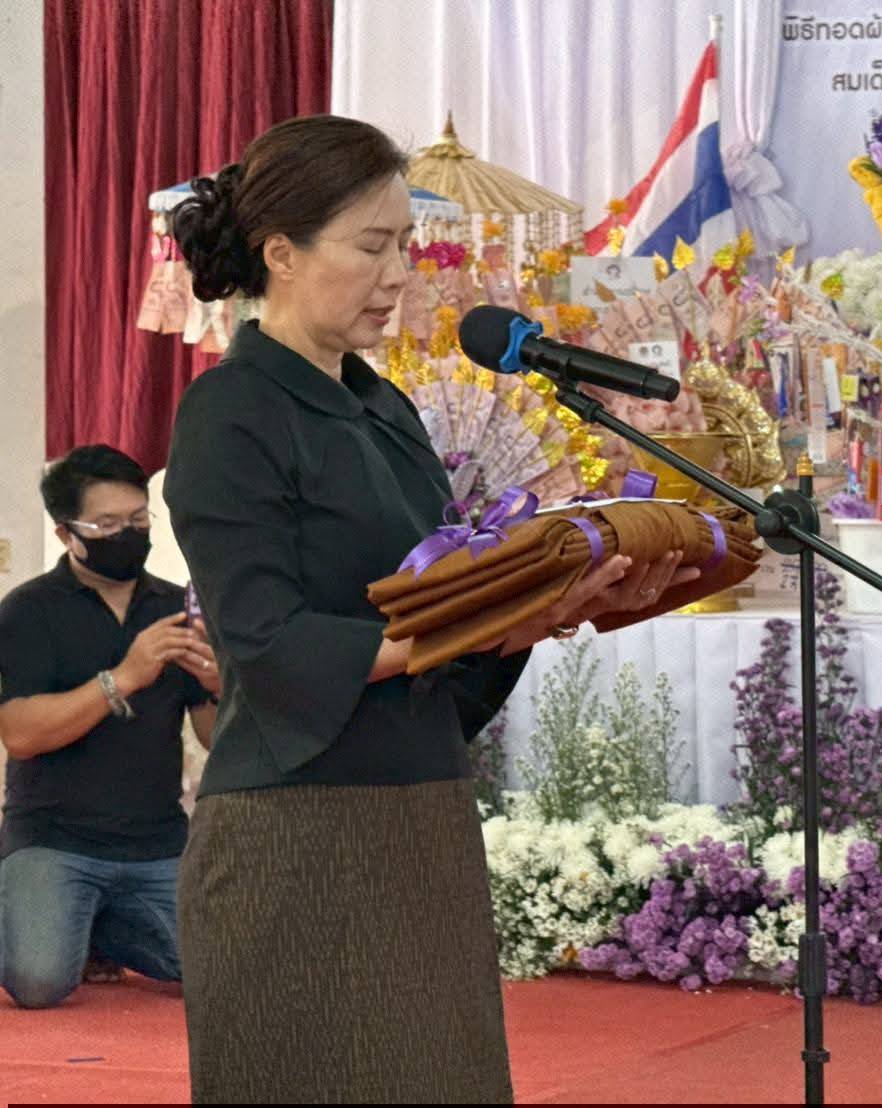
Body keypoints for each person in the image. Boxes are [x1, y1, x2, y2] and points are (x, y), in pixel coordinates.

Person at [164, 114, 697, 1103]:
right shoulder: (230, 410)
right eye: (372, 245)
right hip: (296, 840)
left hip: (422, 819)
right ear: (280, 253)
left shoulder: (386, 409)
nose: (401, 272)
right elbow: (271, 646)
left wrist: (533, 612)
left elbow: (440, 654)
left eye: (406, 243)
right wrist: (462, 621)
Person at [0, 445, 220, 1009]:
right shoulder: (27, 611)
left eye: (139, 519)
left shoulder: (178, 610)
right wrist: (122, 678)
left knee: (220, 970)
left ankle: (101, 926)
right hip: (52, 840)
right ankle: (45, 914)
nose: (129, 533)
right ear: (65, 532)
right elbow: (21, 734)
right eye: (107, 524)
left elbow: (212, 736)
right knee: (39, 982)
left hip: (156, 842)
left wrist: (223, 687)